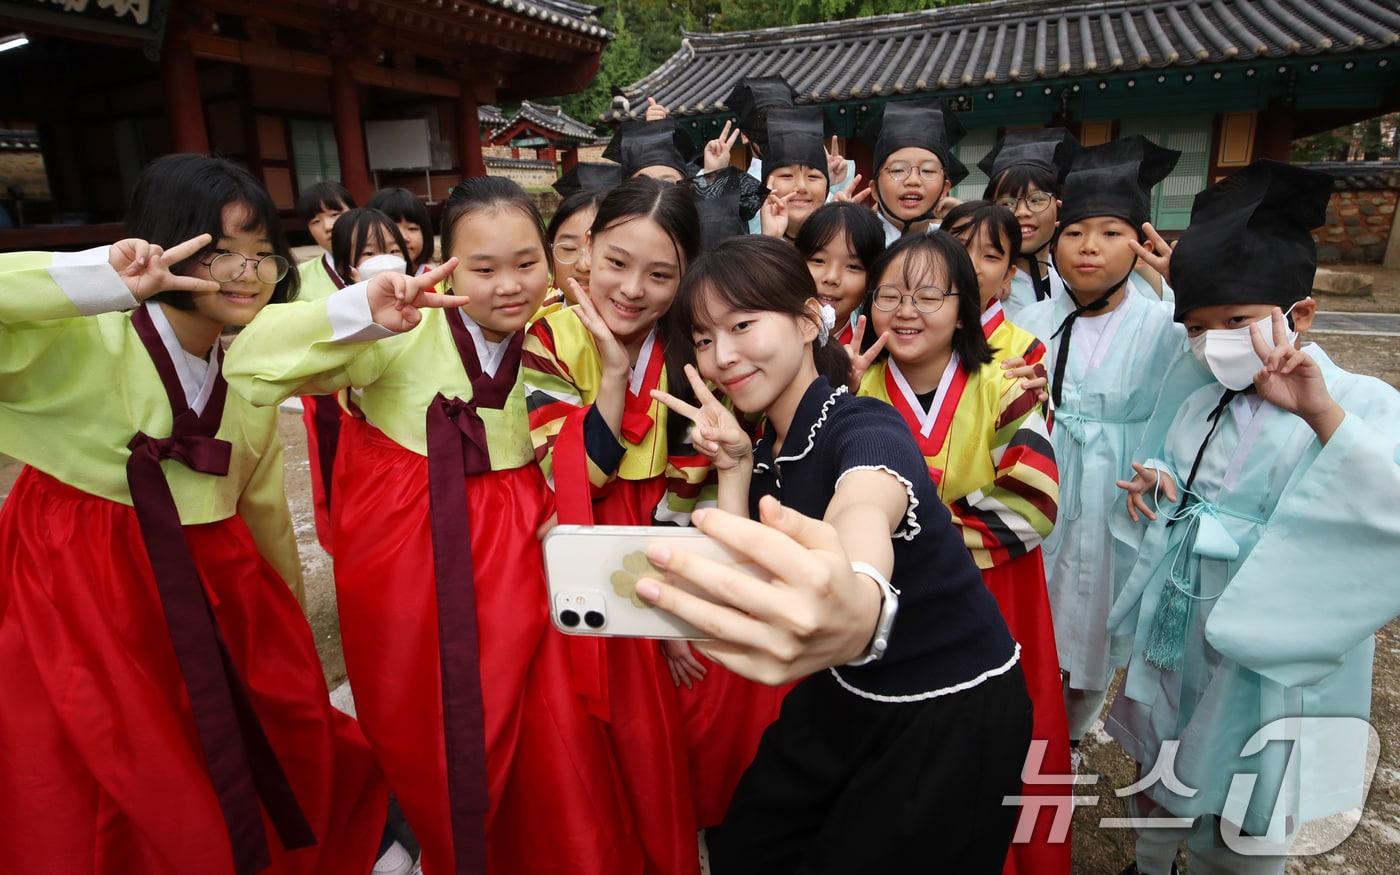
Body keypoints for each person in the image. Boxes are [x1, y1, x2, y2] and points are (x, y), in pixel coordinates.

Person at [224, 176, 641, 874]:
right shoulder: (399, 327)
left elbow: (582, 461)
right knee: (430, 731)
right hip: (415, 563)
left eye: (526, 262)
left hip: (524, 562)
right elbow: (251, 363)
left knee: (548, 736)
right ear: (442, 265)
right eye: (482, 268)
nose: (509, 285)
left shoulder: (563, 336)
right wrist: (359, 310)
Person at [0, 153, 388, 875]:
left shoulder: (245, 375)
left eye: (261, 255)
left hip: (213, 577)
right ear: (163, 244)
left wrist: (290, 628)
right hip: (79, 582)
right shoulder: (83, 337)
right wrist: (93, 278)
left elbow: (266, 514)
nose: (246, 273)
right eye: (221, 252)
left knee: (266, 729)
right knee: (94, 770)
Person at [647, 234, 1032, 872]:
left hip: (951, 709)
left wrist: (860, 592)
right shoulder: (767, 446)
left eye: (742, 325)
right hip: (848, 692)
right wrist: (737, 470)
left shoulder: (861, 423)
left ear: (806, 322)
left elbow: (864, 507)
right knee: (749, 845)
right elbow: (753, 570)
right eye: (706, 338)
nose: (723, 356)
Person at [1107, 160, 1400, 875]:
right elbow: (1189, 477)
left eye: (1236, 321)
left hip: (1271, 637)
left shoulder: (1362, 401)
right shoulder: (1200, 397)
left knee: (1251, 779)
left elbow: (1383, 504)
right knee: (1166, 751)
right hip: (1188, 621)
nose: (1215, 343)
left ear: (1298, 314)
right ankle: (1150, 863)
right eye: (1199, 328)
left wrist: (1321, 412)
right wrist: (1162, 484)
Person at [856, 230, 1068, 875]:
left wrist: (912, 542)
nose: (906, 311)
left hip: (993, 595)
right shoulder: (849, 387)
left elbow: (1033, 501)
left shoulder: (1008, 383)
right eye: (890, 294)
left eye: (929, 296)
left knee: (999, 738)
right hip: (883, 605)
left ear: (965, 305)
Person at [521, 176, 706, 872]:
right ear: (586, 251)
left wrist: (674, 608)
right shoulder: (544, 335)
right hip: (567, 549)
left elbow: (693, 486)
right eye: (617, 262)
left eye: (660, 274)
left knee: (647, 737)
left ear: (685, 275)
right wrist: (614, 375)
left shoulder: (692, 351)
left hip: (652, 556)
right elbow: (575, 476)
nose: (632, 289)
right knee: (574, 745)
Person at [1013, 136, 1189, 754]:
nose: (1090, 247)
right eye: (1076, 232)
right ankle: (1027, 719)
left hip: (1120, 484)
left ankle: (1075, 729)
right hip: (1047, 478)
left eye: (1112, 233)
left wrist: (1187, 291)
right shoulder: (1030, 324)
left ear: (1141, 243)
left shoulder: (1166, 325)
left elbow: (1191, 400)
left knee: (1097, 612)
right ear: (1054, 240)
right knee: (1039, 600)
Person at [979, 129, 1078, 320]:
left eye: (1037, 200)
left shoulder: (1072, 280)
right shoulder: (982, 286)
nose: (1022, 211)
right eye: (1007, 203)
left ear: (1059, 206)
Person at [860, 100, 968, 244]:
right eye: (897, 170)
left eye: (928, 170)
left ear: (944, 189)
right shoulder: (856, 242)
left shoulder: (956, 245)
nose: (913, 180)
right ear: (874, 190)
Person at [794, 201, 885, 349]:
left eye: (853, 266)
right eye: (818, 260)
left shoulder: (869, 364)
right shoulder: (765, 340)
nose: (831, 278)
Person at [538, 162, 621, 318]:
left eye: (596, 249)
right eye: (568, 248)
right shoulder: (532, 325)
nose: (583, 265)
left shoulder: (650, 337)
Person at [295, 180, 355, 303]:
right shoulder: (299, 277)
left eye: (334, 214)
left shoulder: (387, 260)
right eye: (316, 221)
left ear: (355, 212)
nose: (328, 226)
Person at [367, 186, 435, 271]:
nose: (403, 237)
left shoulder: (437, 282)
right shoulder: (361, 282)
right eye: (392, 228)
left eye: (412, 228)